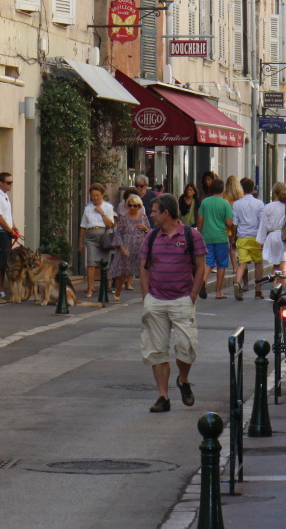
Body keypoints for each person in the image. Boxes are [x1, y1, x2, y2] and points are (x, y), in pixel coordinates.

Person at [139, 193, 206, 413]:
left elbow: (200, 266)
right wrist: (147, 297)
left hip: (181, 300)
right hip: (156, 301)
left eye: (154, 211)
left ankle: (183, 380)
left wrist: (193, 296)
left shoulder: (190, 234)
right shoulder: (151, 237)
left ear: (166, 213)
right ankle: (163, 396)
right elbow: (144, 267)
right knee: (157, 351)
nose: (151, 215)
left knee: (186, 347)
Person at [198, 177, 236, 299]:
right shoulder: (225, 203)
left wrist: (199, 232)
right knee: (221, 264)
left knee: (208, 262)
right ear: (222, 189)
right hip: (221, 237)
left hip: (207, 236)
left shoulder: (205, 202)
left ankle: (203, 281)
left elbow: (200, 220)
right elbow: (229, 222)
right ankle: (218, 292)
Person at [108, 194, 150, 300]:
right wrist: (121, 247)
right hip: (127, 247)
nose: (132, 208)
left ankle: (146, 295)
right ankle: (118, 289)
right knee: (123, 272)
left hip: (139, 248)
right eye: (130, 205)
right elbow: (118, 233)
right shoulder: (124, 218)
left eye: (135, 206)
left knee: (143, 272)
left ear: (139, 206)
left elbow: (149, 232)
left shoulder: (143, 217)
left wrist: (145, 228)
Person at [231, 178, 266, 300]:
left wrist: (233, 238)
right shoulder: (259, 204)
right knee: (258, 263)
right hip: (255, 237)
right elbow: (262, 222)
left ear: (242, 189)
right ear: (253, 188)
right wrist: (263, 238)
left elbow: (234, 223)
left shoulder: (237, 204)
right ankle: (258, 289)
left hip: (242, 237)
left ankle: (237, 282)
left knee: (242, 263)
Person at [80, 183, 116, 296]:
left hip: (103, 236)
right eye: (93, 196)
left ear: (102, 195)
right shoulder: (88, 208)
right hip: (91, 236)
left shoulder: (108, 207)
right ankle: (90, 288)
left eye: (98, 195)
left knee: (103, 264)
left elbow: (110, 224)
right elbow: (83, 226)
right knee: (91, 262)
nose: (95, 198)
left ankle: (106, 285)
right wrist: (80, 243)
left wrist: (102, 213)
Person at [0, 172, 19, 296]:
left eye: (11, 182)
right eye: (8, 183)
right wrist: (10, 231)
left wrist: (14, 226)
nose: (11, 185)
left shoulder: (5, 196)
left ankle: (0, 289)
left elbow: (7, 215)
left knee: (3, 263)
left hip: (5, 233)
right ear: (1, 183)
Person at [256, 182, 286, 273]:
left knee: (275, 266)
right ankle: (281, 286)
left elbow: (264, 225)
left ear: (274, 192)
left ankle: (275, 286)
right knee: (284, 268)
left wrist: (262, 241)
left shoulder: (269, 207)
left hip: (273, 236)